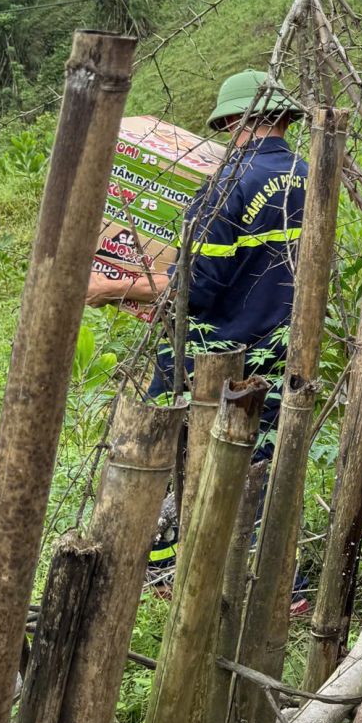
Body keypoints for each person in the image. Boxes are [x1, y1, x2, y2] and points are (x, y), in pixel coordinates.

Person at [87, 71, 309, 593]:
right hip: (280, 347)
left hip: (214, 354)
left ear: (233, 120)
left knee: (165, 455)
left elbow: (197, 289)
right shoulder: (306, 173)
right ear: (283, 119)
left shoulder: (226, 185)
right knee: (260, 464)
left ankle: (165, 569)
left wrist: (108, 287)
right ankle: (280, 584)